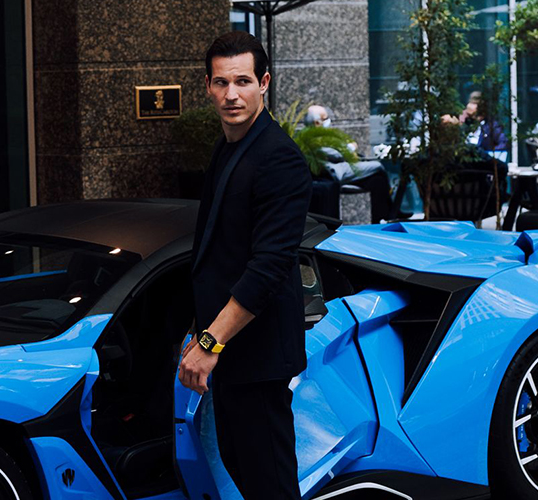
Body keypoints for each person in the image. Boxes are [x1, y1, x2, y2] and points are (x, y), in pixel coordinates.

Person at [178, 31, 310, 499]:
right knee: (244, 470)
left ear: (264, 83)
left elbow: (268, 268)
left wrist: (210, 341)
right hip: (233, 351)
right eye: (221, 82)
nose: (231, 94)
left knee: (269, 484)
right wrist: (200, 332)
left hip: (259, 353)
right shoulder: (229, 145)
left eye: (243, 81)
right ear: (207, 86)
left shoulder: (279, 158)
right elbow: (217, 254)